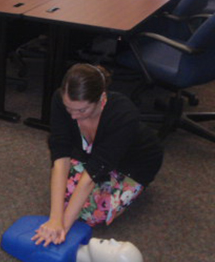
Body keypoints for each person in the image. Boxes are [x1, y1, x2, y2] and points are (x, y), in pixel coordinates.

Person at [32, 63, 163, 247]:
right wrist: (55, 219)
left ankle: (130, 192)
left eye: (81, 110)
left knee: (92, 214)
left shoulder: (123, 114)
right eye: (69, 108)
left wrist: (63, 228)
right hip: (91, 155)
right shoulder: (60, 100)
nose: (73, 116)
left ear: (101, 99)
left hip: (132, 163)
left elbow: (93, 174)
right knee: (65, 200)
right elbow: (60, 155)